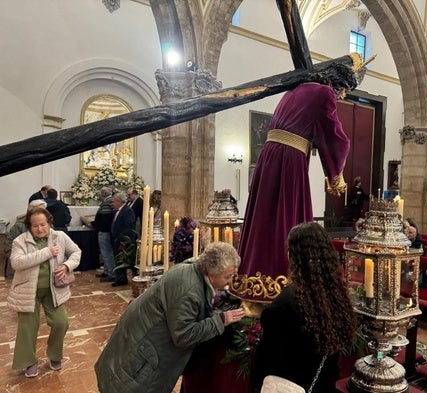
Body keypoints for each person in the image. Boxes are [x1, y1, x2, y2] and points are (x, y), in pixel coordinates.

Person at [233, 62, 358, 302]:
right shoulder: (324, 93)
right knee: (287, 217)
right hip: (289, 160)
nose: (341, 97)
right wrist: (336, 175)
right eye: (344, 92)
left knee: (265, 216)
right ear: (337, 84)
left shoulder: (295, 90)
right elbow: (335, 134)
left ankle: (251, 280)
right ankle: (283, 284)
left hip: (269, 156)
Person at [94, 242, 245, 393]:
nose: (230, 281)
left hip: (139, 341)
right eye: (227, 276)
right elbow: (183, 335)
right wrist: (221, 320)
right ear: (212, 273)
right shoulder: (189, 291)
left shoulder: (194, 268)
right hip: (142, 357)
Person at [251, 222, 356, 393]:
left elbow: (265, 364)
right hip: (323, 385)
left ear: (293, 256)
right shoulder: (337, 294)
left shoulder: (283, 306)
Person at [7, 206, 81, 378]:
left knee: (61, 322)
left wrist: (66, 265)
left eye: (43, 225)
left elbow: (76, 252)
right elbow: (16, 263)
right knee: (27, 327)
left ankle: (55, 355)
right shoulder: (20, 241)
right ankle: (29, 362)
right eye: (35, 226)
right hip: (27, 291)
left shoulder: (59, 237)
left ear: (49, 223)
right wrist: (46, 252)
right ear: (29, 226)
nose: (39, 229)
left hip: (53, 290)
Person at [5, 200, 48, 279]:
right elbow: (9, 249)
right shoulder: (19, 226)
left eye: (44, 211)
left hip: (44, 270)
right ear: (30, 211)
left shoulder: (48, 225)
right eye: (38, 211)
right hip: (23, 271)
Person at [110, 192, 136, 287]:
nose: (112, 204)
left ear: (119, 201)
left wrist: (123, 240)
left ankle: (122, 279)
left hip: (123, 240)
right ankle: (120, 278)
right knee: (118, 258)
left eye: (113, 202)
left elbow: (128, 227)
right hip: (117, 239)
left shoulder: (127, 211)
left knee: (122, 259)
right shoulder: (119, 210)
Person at [93, 187, 116, 282]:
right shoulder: (111, 201)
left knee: (106, 252)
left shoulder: (107, 203)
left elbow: (104, 219)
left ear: (102, 195)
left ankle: (111, 273)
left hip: (105, 231)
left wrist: (94, 225)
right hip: (108, 231)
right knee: (106, 252)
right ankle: (107, 270)